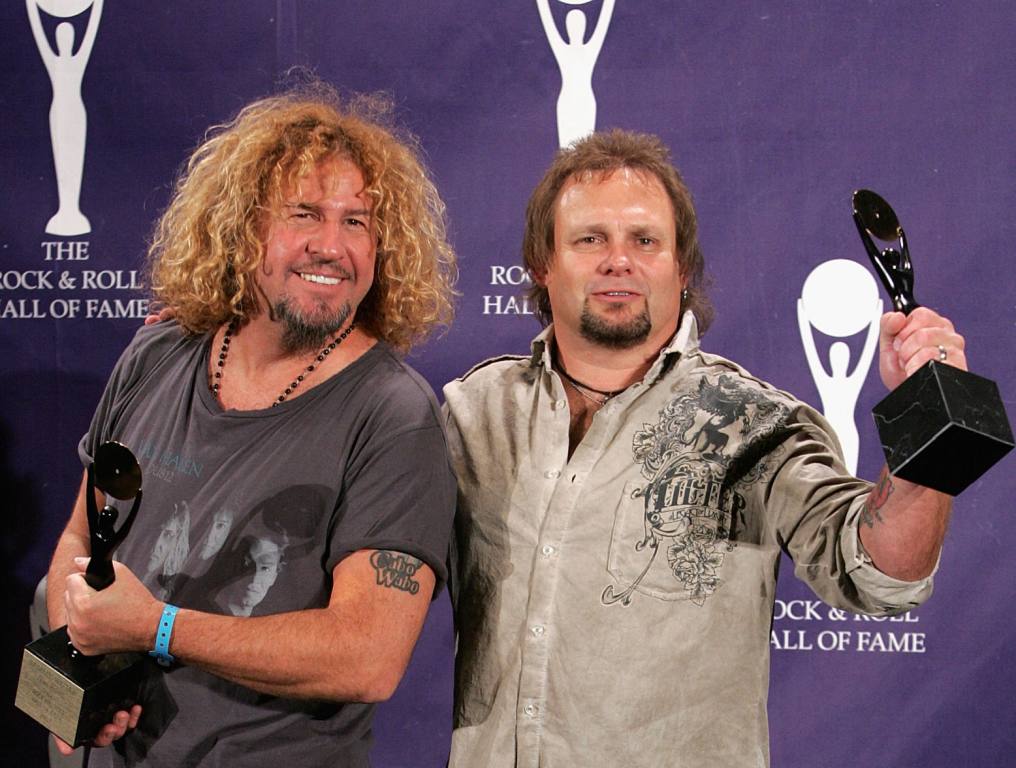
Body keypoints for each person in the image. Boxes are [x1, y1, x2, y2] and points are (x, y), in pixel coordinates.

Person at [443, 129, 965, 767]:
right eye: (590, 239)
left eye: (645, 240)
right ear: (540, 264)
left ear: (680, 267)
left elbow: (884, 574)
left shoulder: (758, 427)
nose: (618, 260)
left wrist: (931, 414)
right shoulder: (472, 415)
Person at [46, 85, 458, 767]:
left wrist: (157, 627)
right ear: (242, 227)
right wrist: (70, 680)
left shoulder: (395, 416)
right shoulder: (157, 354)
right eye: (305, 214)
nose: (332, 246)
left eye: (357, 223)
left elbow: (368, 657)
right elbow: (77, 540)